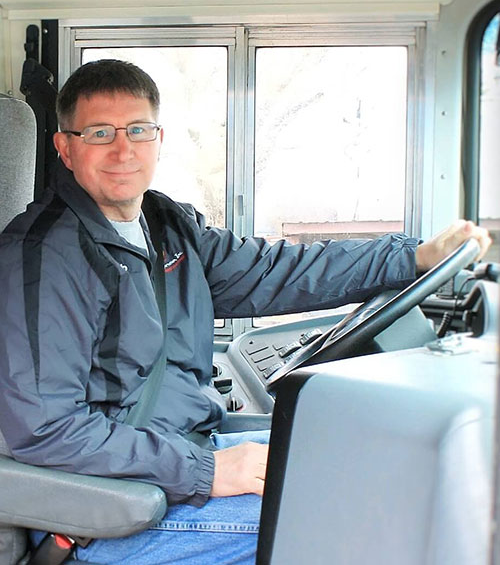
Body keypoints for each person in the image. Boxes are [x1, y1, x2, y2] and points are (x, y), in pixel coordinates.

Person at [0, 59, 491, 565]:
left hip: (182, 452)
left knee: (384, 456)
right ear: (65, 147)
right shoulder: (41, 257)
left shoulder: (166, 226)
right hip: (107, 510)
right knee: (382, 511)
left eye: (138, 130)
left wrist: (412, 257)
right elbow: (47, 430)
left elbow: (280, 269)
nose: (124, 149)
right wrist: (209, 472)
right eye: (100, 132)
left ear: (158, 138)